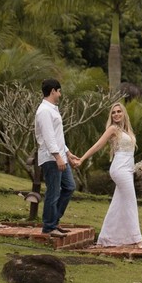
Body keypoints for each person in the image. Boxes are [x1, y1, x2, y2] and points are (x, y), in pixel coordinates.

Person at [76, 101, 142, 248]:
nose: (116, 114)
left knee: (118, 204)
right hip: (119, 169)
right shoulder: (113, 129)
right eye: (113, 112)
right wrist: (82, 159)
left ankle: (105, 238)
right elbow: (98, 145)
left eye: (119, 111)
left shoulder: (128, 132)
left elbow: (128, 155)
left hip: (127, 169)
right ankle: (137, 240)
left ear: (124, 113)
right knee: (130, 202)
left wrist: (139, 168)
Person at [35, 78, 80, 237]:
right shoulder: (44, 111)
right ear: (53, 90)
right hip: (51, 158)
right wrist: (58, 157)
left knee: (69, 187)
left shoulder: (53, 109)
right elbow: (48, 137)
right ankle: (49, 226)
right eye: (59, 91)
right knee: (53, 192)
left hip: (61, 156)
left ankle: (54, 221)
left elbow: (57, 136)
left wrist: (67, 153)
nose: (60, 94)